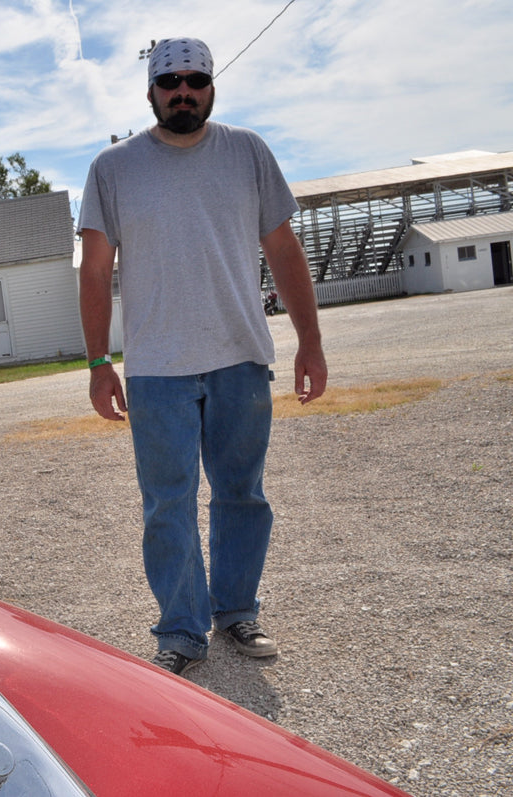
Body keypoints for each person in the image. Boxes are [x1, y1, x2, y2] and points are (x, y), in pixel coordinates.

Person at [77, 37, 327, 676]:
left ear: (211, 86)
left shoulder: (247, 152)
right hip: (157, 366)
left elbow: (282, 247)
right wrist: (98, 361)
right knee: (167, 501)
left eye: (195, 80)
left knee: (242, 493)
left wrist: (311, 341)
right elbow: (95, 268)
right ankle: (182, 631)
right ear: (152, 91)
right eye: (170, 82)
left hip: (241, 355)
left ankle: (237, 610)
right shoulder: (114, 168)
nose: (182, 91)